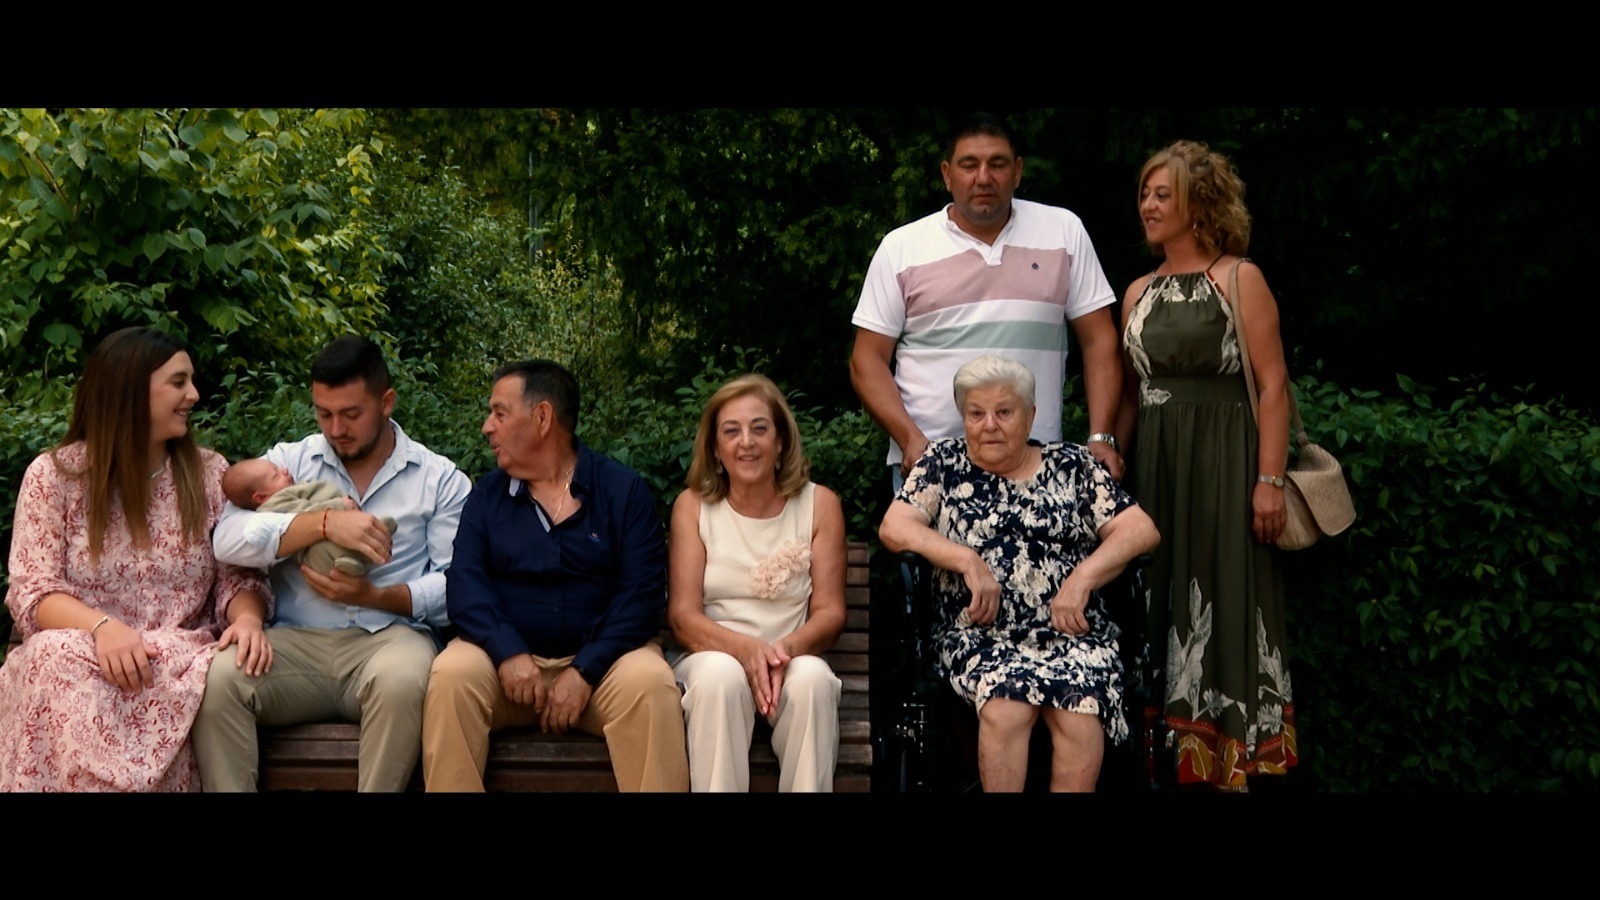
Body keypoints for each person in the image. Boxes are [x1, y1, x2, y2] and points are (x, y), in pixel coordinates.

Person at [194, 335, 471, 792]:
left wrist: (377, 596)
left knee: (403, 681)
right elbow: (226, 540)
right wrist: (321, 524)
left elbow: (458, 587)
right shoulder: (289, 462)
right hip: (296, 642)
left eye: (351, 414)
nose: (336, 428)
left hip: (389, 641)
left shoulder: (439, 479)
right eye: (324, 414)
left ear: (386, 402)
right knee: (220, 680)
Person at [0, 327, 272, 791]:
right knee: (50, 657)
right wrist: (103, 628)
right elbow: (33, 589)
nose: (194, 394)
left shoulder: (209, 474)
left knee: (182, 672)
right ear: (129, 390)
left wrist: (247, 620)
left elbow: (237, 576)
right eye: (178, 382)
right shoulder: (54, 477)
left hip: (177, 660)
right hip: (83, 655)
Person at [879, 355, 1158, 792]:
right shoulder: (943, 463)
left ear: (1030, 416)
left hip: (1071, 634)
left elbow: (1140, 530)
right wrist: (967, 560)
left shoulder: (1072, 465)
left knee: (1080, 710)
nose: (989, 425)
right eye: (976, 414)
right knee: (1006, 704)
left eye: (1004, 412)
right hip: (979, 635)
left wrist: (1082, 579)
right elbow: (895, 527)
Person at [1117, 140, 1296, 788]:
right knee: (1156, 595)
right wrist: (1109, 462)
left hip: (1226, 463)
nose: (1148, 205)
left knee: (1224, 587)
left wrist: (1269, 482)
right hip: (1157, 466)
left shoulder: (1240, 278)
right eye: (1145, 193)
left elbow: (1273, 387)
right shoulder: (1137, 290)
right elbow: (1131, 395)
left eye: (1163, 194)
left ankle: (1231, 759)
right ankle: (1165, 756)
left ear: (1199, 206)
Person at [422, 360, 689, 792]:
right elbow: (465, 584)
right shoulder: (488, 496)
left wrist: (585, 670)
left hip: (605, 671)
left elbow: (641, 595)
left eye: (499, 413)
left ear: (543, 417)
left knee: (651, 684)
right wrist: (508, 652)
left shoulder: (622, 491)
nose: (487, 427)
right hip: (504, 673)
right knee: (451, 675)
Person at [850, 112, 1126, 489]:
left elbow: (1099, 339)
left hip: (1038, 463)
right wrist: (910, 440)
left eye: (997, 164)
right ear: (947, 174)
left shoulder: (1063, 232)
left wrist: (1101, 437)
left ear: (1018, 171)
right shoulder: (901, 248)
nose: (983, 177)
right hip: (932, 466)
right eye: (969, 165)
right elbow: (866, 360)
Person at [667, 374, 847, 792]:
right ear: (715, 448)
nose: (746, 442)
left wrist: (781, 653)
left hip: (792, 656)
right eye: (731, 431)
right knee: (720, 678)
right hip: (713, 654)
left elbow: (830, 613)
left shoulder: (820, 504)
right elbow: (682, 617)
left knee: (814, 681)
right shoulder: (692, 507)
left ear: (780, 441)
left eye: (759, 428)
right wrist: (745, 651)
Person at [222, 457, 397, 577]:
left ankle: (374, 536)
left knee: (349, 536)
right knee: (323, 549)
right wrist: (338, 506)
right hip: (315, 551)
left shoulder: (286, 490)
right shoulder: (273, 506)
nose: (284, 470)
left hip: (334, 526)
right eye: (276, 475)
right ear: (261, 497)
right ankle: (350, 564)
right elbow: (302, 512)